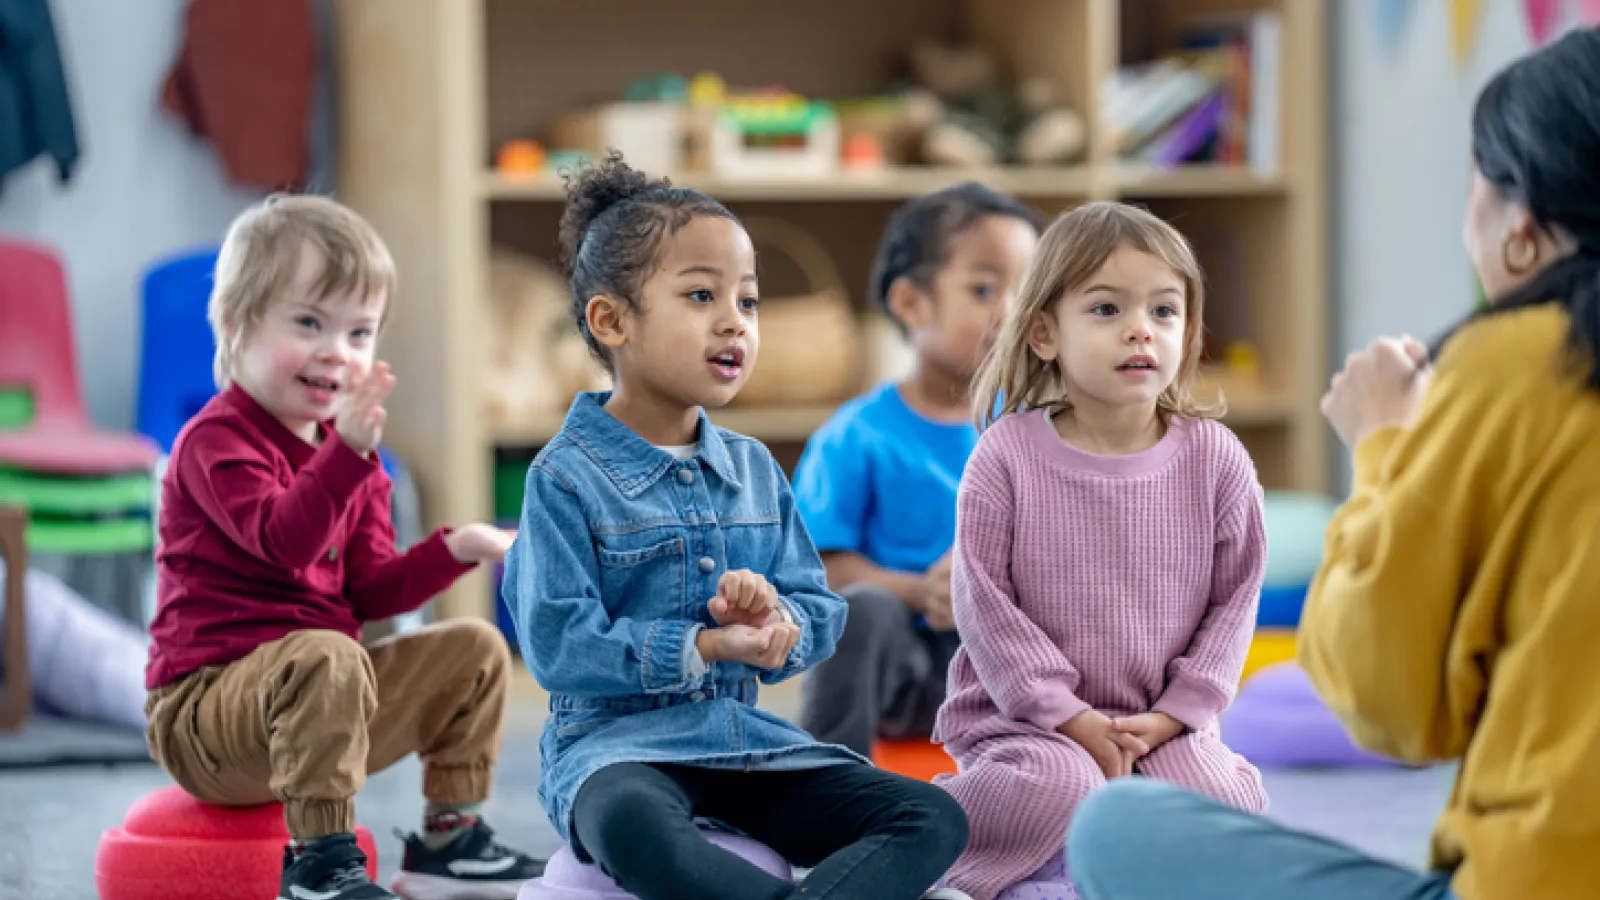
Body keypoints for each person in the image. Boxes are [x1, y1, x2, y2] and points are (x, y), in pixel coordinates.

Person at [1065, 26, 1600, 900]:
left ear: (1522, 229)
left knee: (1114, 824)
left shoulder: (1507, 366)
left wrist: (1387, 450)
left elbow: (1391, 711)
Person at [501, 152, 971, 900]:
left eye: (747, 302)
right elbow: (557, 645)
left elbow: (818, 608)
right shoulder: (562, 477)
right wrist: (703, 644)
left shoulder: (753, 466)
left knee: (934, 817)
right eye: (700, 295)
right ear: (611, 320)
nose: (734, 322)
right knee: (629, 826)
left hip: (746, 748)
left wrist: (778, 625)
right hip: (615, 755)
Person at [143, 195, 545, 900]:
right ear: (237, 324)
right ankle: (321, 863)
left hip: (320, 705)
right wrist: (351, 457)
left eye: (360, 333)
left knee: (476, 648)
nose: (337, 351)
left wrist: (456, 548)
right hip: (206, 719)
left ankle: (451, 836)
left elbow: (370, 592)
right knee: (326, 653)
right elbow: (281, 543)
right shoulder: (216, 442)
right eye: (309, 323)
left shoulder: (348, 457)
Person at [934, 202, 1268, 900]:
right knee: (1062, 786)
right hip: (1027, 724)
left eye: (1164, 312)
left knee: (1222, 808)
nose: (1141, 329)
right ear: (1046, 334)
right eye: (1108, 309)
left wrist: (1176, 715)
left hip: (1163, 723)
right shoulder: (1006, 457)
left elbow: (1235, 606)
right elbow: (986, 609)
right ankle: (943, 857)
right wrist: (1068, 717)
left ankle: (1093, 866)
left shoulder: (1217, 460)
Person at [793, 182, 1043, 757]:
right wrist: (918, 590)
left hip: (1018, 680)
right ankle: (825, 786)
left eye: (1028, 291)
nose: (1010, 311)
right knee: (864, 611)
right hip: (910, 672)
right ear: (911, 304)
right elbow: (817, 574)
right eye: (984, 288)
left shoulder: (1041, 430)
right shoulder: (856, 435)